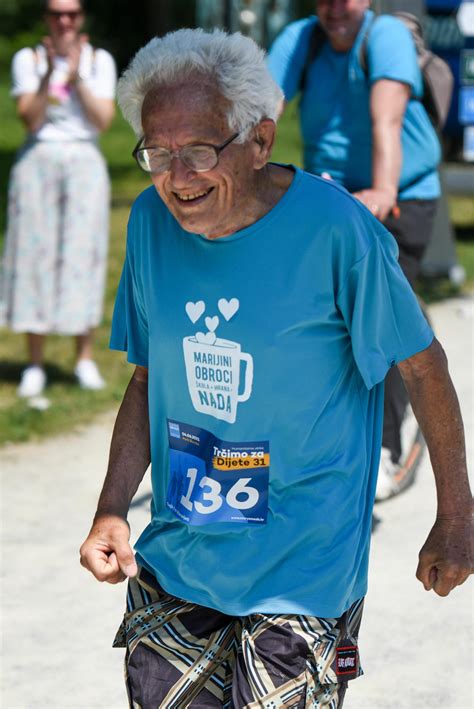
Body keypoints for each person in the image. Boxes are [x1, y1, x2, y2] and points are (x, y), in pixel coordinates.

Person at [79, 28, 472, 709]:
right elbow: (146, 382)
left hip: (304, 575)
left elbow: (423, 365)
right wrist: (111, 507)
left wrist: (457, 512)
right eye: (157, 153)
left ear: (260, 141)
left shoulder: (337, 231)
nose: (178, 176)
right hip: (179, 562)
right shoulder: (148, 222)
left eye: (200, 149)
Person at [267, 0, 442, 500]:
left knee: (378, 323)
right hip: (331, 195)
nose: (333, 8)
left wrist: (384, 190)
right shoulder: (301, 37)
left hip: (400, 195)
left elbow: (386, 120)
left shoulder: (383, 36)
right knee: (313, 321)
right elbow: (261, 111)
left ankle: (385, 449)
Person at [0, 0, 116, 397]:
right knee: (34, 256)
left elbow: (103, 120)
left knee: (83, 255)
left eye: (71, 13)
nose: (64, 20)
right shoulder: (28, 59)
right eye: (56, 13)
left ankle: (83, 357)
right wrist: (50, 69)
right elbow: (28, 117)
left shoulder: (100, 61)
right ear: (46, 18)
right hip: (39, 159)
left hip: (84, 159)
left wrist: (76, 74)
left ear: (82, 16)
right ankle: (35, 362)